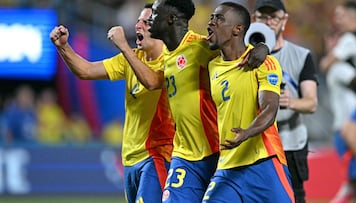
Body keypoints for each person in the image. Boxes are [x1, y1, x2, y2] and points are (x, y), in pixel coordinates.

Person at [111, 0, 270, 202]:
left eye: (155, 14)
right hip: (183, 156)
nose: (150, 19)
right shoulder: (166, 55)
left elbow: (236, 46)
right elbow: (152, 82)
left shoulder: (201, 46)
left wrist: (262, 47)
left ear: (170, 18)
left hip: (214, 152)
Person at [50, 4, 175, 203]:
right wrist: (63, 47)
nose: (138, 26)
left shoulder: (171, 61)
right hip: (129, 159)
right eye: (138, 21)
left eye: (146, 22)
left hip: (157, 156)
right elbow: (86, 71)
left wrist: (124, 46)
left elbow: (152, 82)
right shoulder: (131, 59)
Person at [201, 2, 294, 202]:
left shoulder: (263, 62)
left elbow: (270, 109)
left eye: (219, 18)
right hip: (227, 167)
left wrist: (246, 133)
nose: (211, 22)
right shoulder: (212, 66)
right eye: (211, 17)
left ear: (238, 28)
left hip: (264, 162)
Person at [253, 0, 318, 202]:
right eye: (263, 16)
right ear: (255, 19)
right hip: (257, 142)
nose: (268, 21)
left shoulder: (301, 55)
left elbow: (311, 102)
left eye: (273, 17)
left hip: (290, 143)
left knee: (294, 197)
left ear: (284, 20)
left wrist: (290, 102)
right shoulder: (245, 54)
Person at [319, 1, 356, 202]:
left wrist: (326, 61)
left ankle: (350, 188)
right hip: (341, 119)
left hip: (348, 115)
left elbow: (326, 64)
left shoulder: (348, 44)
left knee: (348, 134)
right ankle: (351, 188)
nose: (338, 20)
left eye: (341, 16)